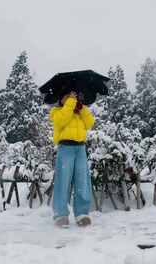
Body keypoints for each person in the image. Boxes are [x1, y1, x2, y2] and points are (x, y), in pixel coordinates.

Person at [50, 91, 95, 228]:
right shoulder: (57, 111)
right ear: (61, 98)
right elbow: (61, 121)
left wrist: (82, 108)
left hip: (80, 148)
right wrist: (69, 103)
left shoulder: (79, 112)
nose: (72, 98)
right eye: (68, 96)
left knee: (83, 181)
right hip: (65, 148)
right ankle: (61, 214)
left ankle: (82, 213)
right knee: (63, 181)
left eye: (74, 96)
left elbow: (90, 124)